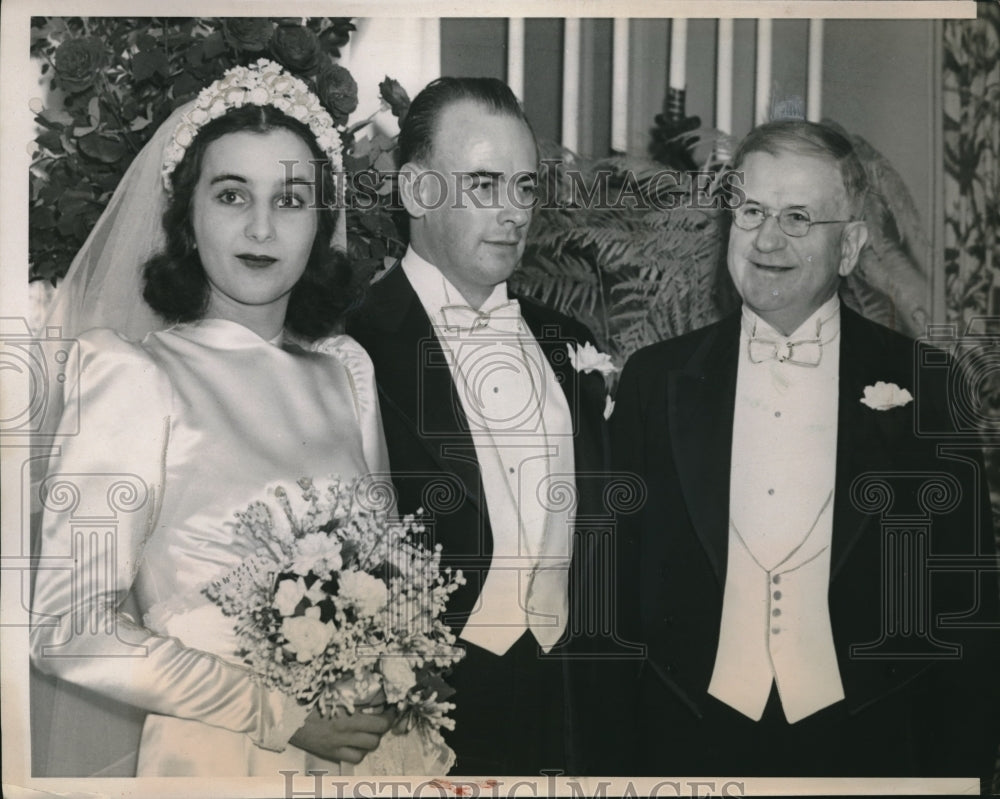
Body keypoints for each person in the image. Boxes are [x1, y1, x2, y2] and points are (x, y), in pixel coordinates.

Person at [29, 60, 397, 777]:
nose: (261, 226)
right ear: (187, 220)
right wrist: (279, 714)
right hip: (217, 761)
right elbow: (68, 630)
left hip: (362, 756)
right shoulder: (132, 376)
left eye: (290, 199)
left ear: (321, 222)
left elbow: (386, 579)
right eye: (232, 195)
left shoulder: (345, 371)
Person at [608, 119, 1000, 781]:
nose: (767, 239)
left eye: (797, 217)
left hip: (870, 749)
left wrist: (961, 773)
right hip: (686, 746)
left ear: (848, 247)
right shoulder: (656, 381)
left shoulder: (929, 388)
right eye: (753, 211)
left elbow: (967, 609)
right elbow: (613, 591)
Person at [347, 77, 609, 775]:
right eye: (485, 184)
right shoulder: (351, 349)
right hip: (423, 722)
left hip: (576, 715)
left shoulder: (570, 343)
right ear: (415, 191)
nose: (514, 211)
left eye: (525, 187)